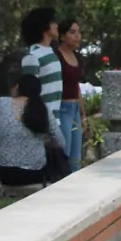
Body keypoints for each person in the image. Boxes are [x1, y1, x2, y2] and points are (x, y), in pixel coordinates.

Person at [0, 74, 65, 187]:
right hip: (35, 174)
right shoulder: (43, 109)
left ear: (16, 87)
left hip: (4, 173)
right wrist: (43, 142)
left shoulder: (1, 102)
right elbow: (60, 142)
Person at [19, 7, 64, 134]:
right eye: (53, 22)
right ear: (45, 26)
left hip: (55, 120)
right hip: (43, 123)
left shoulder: (50, 52)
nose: (57, 26)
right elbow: (29, 92)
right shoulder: (33, 55)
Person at [55, 19, 87, 171]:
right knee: (64, 152)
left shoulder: (77, 57)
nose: (77, 36)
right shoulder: (57, 56)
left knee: (76, 156)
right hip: (62, 108)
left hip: (74, 109)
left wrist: (83, 114)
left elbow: (76, 86)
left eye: (78, 32)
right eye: (72, 32)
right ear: (62, 36)